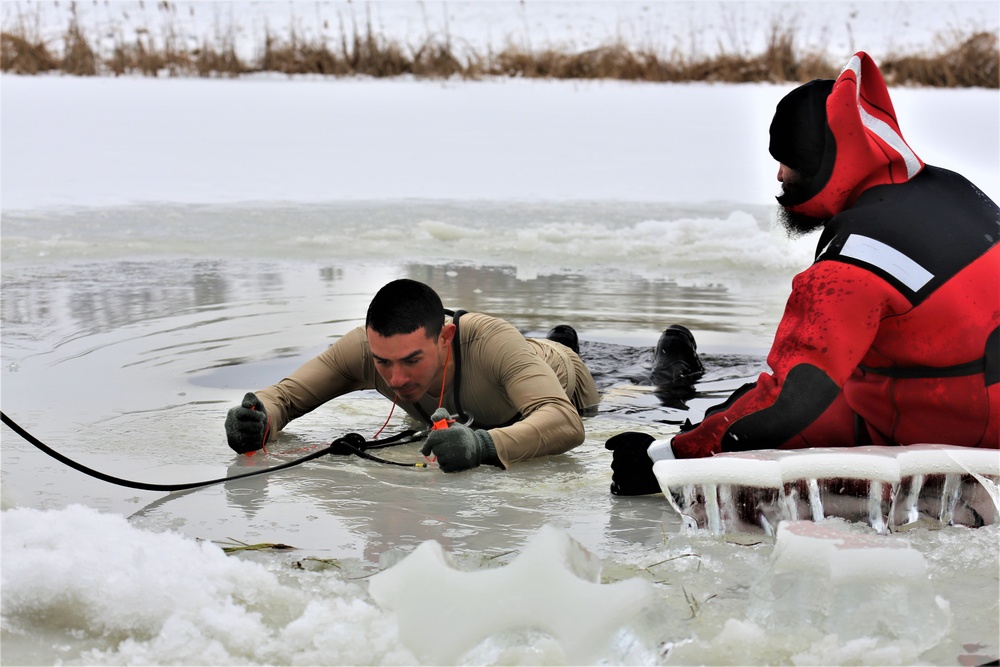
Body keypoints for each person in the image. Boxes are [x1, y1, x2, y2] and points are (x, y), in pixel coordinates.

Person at [607, 51, 1000, 495]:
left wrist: (669, 459)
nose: (778, 174)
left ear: (821, 160)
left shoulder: (852, 260)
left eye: (787, 159)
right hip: (973, 392)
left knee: (773, 411)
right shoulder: (953, 189)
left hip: (961, 430)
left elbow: (792, 400)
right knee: (757, 400)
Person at [225, 279, 600, 472]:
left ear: (445, 337)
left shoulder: (492, 342)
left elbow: (565, 421)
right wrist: (260, 417)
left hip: (560, 371)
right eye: (384, 363)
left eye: (411, 360)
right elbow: (285, 397)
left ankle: (564, 340)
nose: (397, 379)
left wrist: (481, 446)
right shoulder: (362, 349)